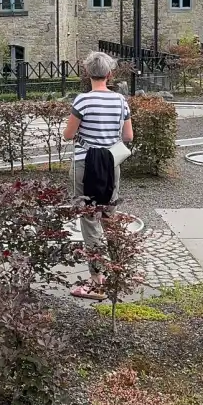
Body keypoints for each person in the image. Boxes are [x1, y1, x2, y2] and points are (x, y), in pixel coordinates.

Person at [63, 51, 133, 299]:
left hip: (85, 165)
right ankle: (117, 273)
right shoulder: (121, 101)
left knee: (89, 217)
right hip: (111, 163)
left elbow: (68, 135)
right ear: (110, 74)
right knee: (109, 216)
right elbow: (128, 137)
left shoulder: (82, 101)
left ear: (87, 73)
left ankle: (97, 283)